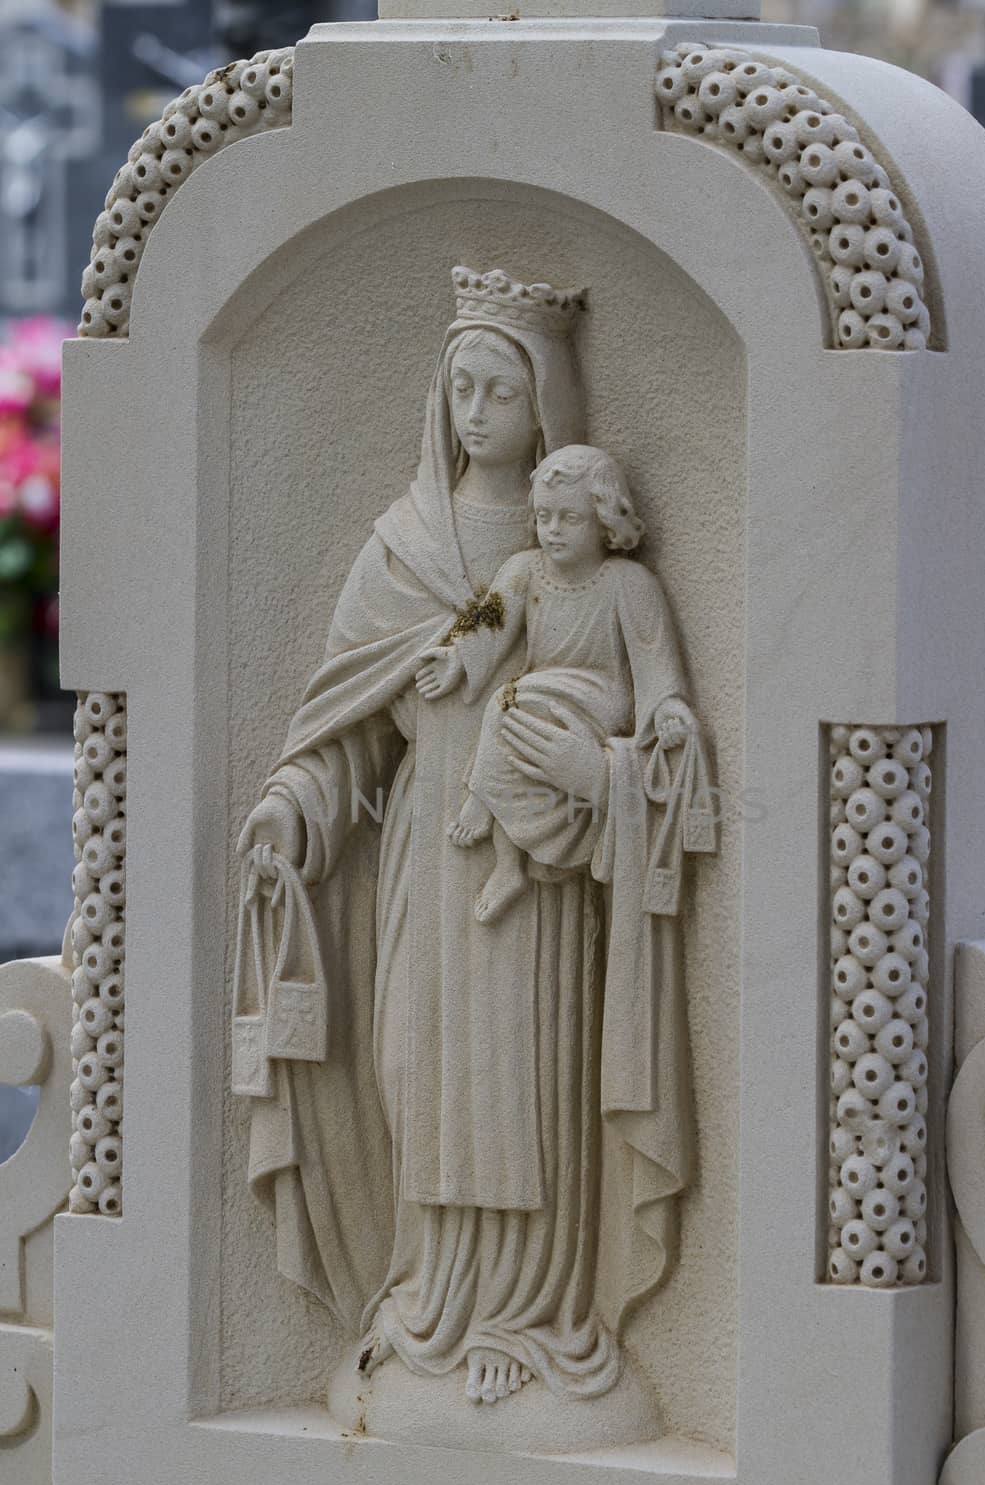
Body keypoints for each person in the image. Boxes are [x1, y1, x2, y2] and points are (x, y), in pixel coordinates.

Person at [234, 266, 696, 1416]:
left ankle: (528, 1312)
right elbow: (348, 730)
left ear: (547, 405)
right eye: (461, 387)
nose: (476, 409)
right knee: (419, 1067)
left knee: (520, 1077)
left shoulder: (590, 572)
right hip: (419, 856)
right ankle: (427, 1295)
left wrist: (605, 778)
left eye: (501, 387)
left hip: (538, 873)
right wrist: (294, 803)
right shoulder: (399, 551)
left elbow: (645, 712)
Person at [416, 444, 699, 925]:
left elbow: (654, 664)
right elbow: (490, 617)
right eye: (544, 516)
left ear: (605, 519)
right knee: (504, 709)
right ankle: (508, 864)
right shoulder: (526, 570)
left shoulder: (629, 584)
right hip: (539, 693)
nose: (553, 530)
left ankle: (480, 800)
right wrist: (457, 656)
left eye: (569, 518)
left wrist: (668, 709)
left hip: (600, 699)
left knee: (512, 707)